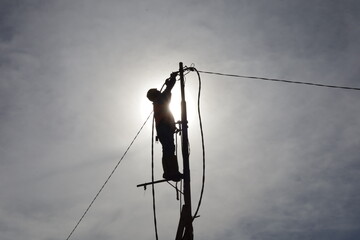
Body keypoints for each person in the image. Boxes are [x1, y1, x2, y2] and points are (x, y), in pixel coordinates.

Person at [147, 72, 182, 182]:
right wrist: (172, 78)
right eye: (157, 91)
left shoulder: (157, 103)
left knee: (168, 149)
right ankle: (171, 172)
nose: (159, 91)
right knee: (169, 149)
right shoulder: (160, 99)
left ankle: (169, 172)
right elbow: (169, 88)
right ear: (155, 94)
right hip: (164, 128)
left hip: (163, 129)